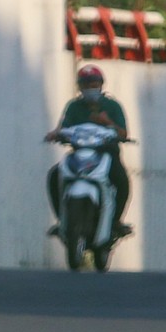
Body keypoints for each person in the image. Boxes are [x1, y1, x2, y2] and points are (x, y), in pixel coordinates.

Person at [44, 64, 132, 240]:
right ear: (79, 87)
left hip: (106, 154)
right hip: (79, 154)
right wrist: (55, 134)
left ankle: (115, 222)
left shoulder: (112, 106)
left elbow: (123, 133)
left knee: (121, 181)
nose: (90, 88)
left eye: (94, 84)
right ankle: (62, 220)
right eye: (86, 85)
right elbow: (64, 127)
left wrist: (107, 122)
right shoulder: (74, 107)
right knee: (54, 176)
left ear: (101, 85)